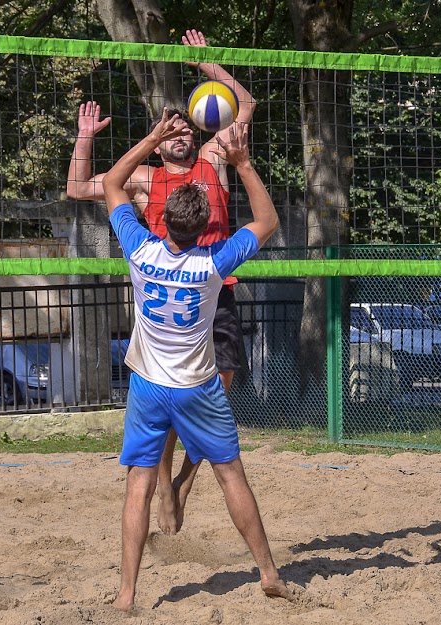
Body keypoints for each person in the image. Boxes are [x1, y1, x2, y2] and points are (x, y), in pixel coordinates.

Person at [66, 29, 256, 536]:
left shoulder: (214, 159)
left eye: (185, 131)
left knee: (221, 385)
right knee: (172, 399)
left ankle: (186, 479)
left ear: (196, 132)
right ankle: (168, 479)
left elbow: (246, 104)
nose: (180, 137)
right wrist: (85, 138)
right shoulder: (147, 177)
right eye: (169, 132)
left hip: (217, 287)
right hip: (167, 293)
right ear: (159, 138)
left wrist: (208, 65)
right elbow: (79, 187)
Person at [102, 110, 289, 611]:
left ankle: (126, 595)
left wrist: (153, 137)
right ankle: (268, 571)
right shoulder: (213, 264)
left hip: (147, 386)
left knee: (137, 488)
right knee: (232, 476)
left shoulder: (139, 250)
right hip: (198, 387)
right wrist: (244, 164)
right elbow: (267, 221)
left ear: (161, 220)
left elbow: (115, 184)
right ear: (207, 223)